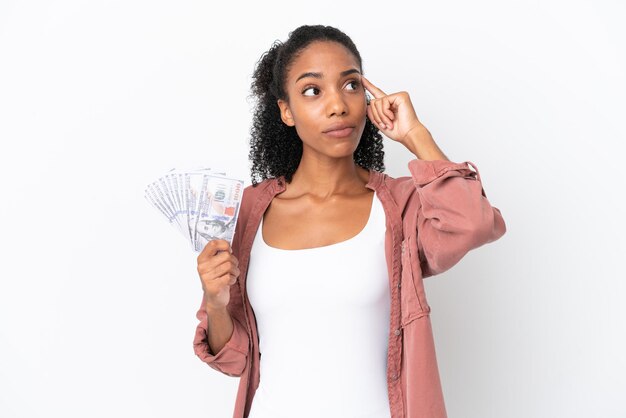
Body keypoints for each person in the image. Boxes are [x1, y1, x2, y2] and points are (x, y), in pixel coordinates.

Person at [193, 24, 506, 418]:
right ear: (286, 111)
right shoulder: (248, 213)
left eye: (351, 85)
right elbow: (232, 360)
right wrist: (216, 303)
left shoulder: (400, 206)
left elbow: (473, 224)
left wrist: (415, 134)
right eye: (313, 90)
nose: (338, 105)